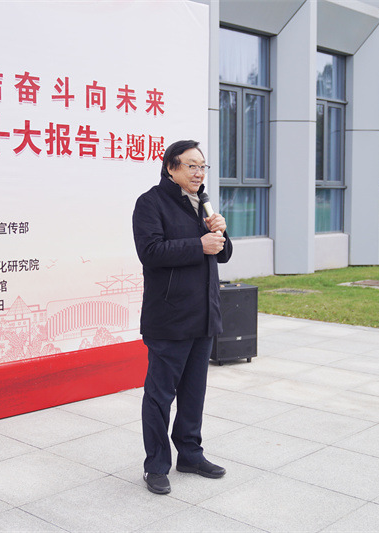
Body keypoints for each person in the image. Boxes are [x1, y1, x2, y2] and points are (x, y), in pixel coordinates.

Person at [132, 140, 233, 495]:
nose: (199, 173)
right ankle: (156, 464)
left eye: (202, 166)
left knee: (194, 393)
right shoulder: (150, 203)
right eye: (191, 166)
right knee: (159, 395)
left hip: (203, 315)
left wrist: (221, 233)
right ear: (171, 168)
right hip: (169, 317)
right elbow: (150, 251)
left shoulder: (202, 204)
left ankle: (190, 454)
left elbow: (221, 254)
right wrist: (198, 244)